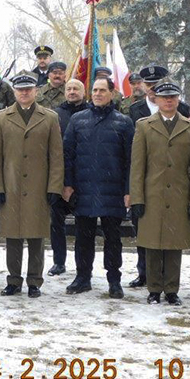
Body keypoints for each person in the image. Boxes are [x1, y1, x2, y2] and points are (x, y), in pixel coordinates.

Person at [0, 70, 64, 298]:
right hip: (10, 185)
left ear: (36, 91)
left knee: (36, 236)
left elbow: (56, 156)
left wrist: (54, 187)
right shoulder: (1, 118)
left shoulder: (50, 117)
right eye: (20, 89)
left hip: (38, 186)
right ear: (14, 91)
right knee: (12, 236)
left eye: (28, 89)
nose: (24, 92)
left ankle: (34, 281)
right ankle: (13, 280)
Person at [130, 79, 190, 306]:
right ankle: (154, 289)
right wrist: (137, 198)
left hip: (180, 195)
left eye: (172, 96)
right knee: (152, 243)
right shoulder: (144, 126)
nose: (169, 100)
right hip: (152, 194)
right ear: (157, 99)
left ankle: (171, 289)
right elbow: (137, 166)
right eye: (164, 97)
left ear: (178, 99)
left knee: (174, 244)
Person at [63, 78, 134, 298]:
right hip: (83, 189)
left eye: (102, 90)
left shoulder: (124, 122)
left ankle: (114, 280)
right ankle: (83, 277)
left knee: (113, 238)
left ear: (112, 93)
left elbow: (130, 160)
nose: (97, 94)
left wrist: (128, 190)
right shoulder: (77, 120)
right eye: (94, 90)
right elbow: (67, 156)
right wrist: (67, 184)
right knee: (83, 238)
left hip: (112, 191)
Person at [126, 64, 190, 289]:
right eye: (149, 85)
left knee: (172, 236)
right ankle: (145, 273)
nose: (153, 89)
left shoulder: (182, 107)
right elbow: (133, 153)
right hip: (148, 182)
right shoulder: (135, 111)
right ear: (143, 86)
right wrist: (132, 191)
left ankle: (169, 280)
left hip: (174, 183)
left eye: (157, 84)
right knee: (146, 233)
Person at [46, 78, 88, 276]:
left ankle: (83, 264)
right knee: (56, 223)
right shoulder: (55, 114)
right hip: (59, 176)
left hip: (84, 177)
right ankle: (59, 262)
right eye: (69, 88)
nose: (72, 91)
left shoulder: (90, 113)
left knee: (83, 225)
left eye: (76, 88)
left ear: (83, 91)